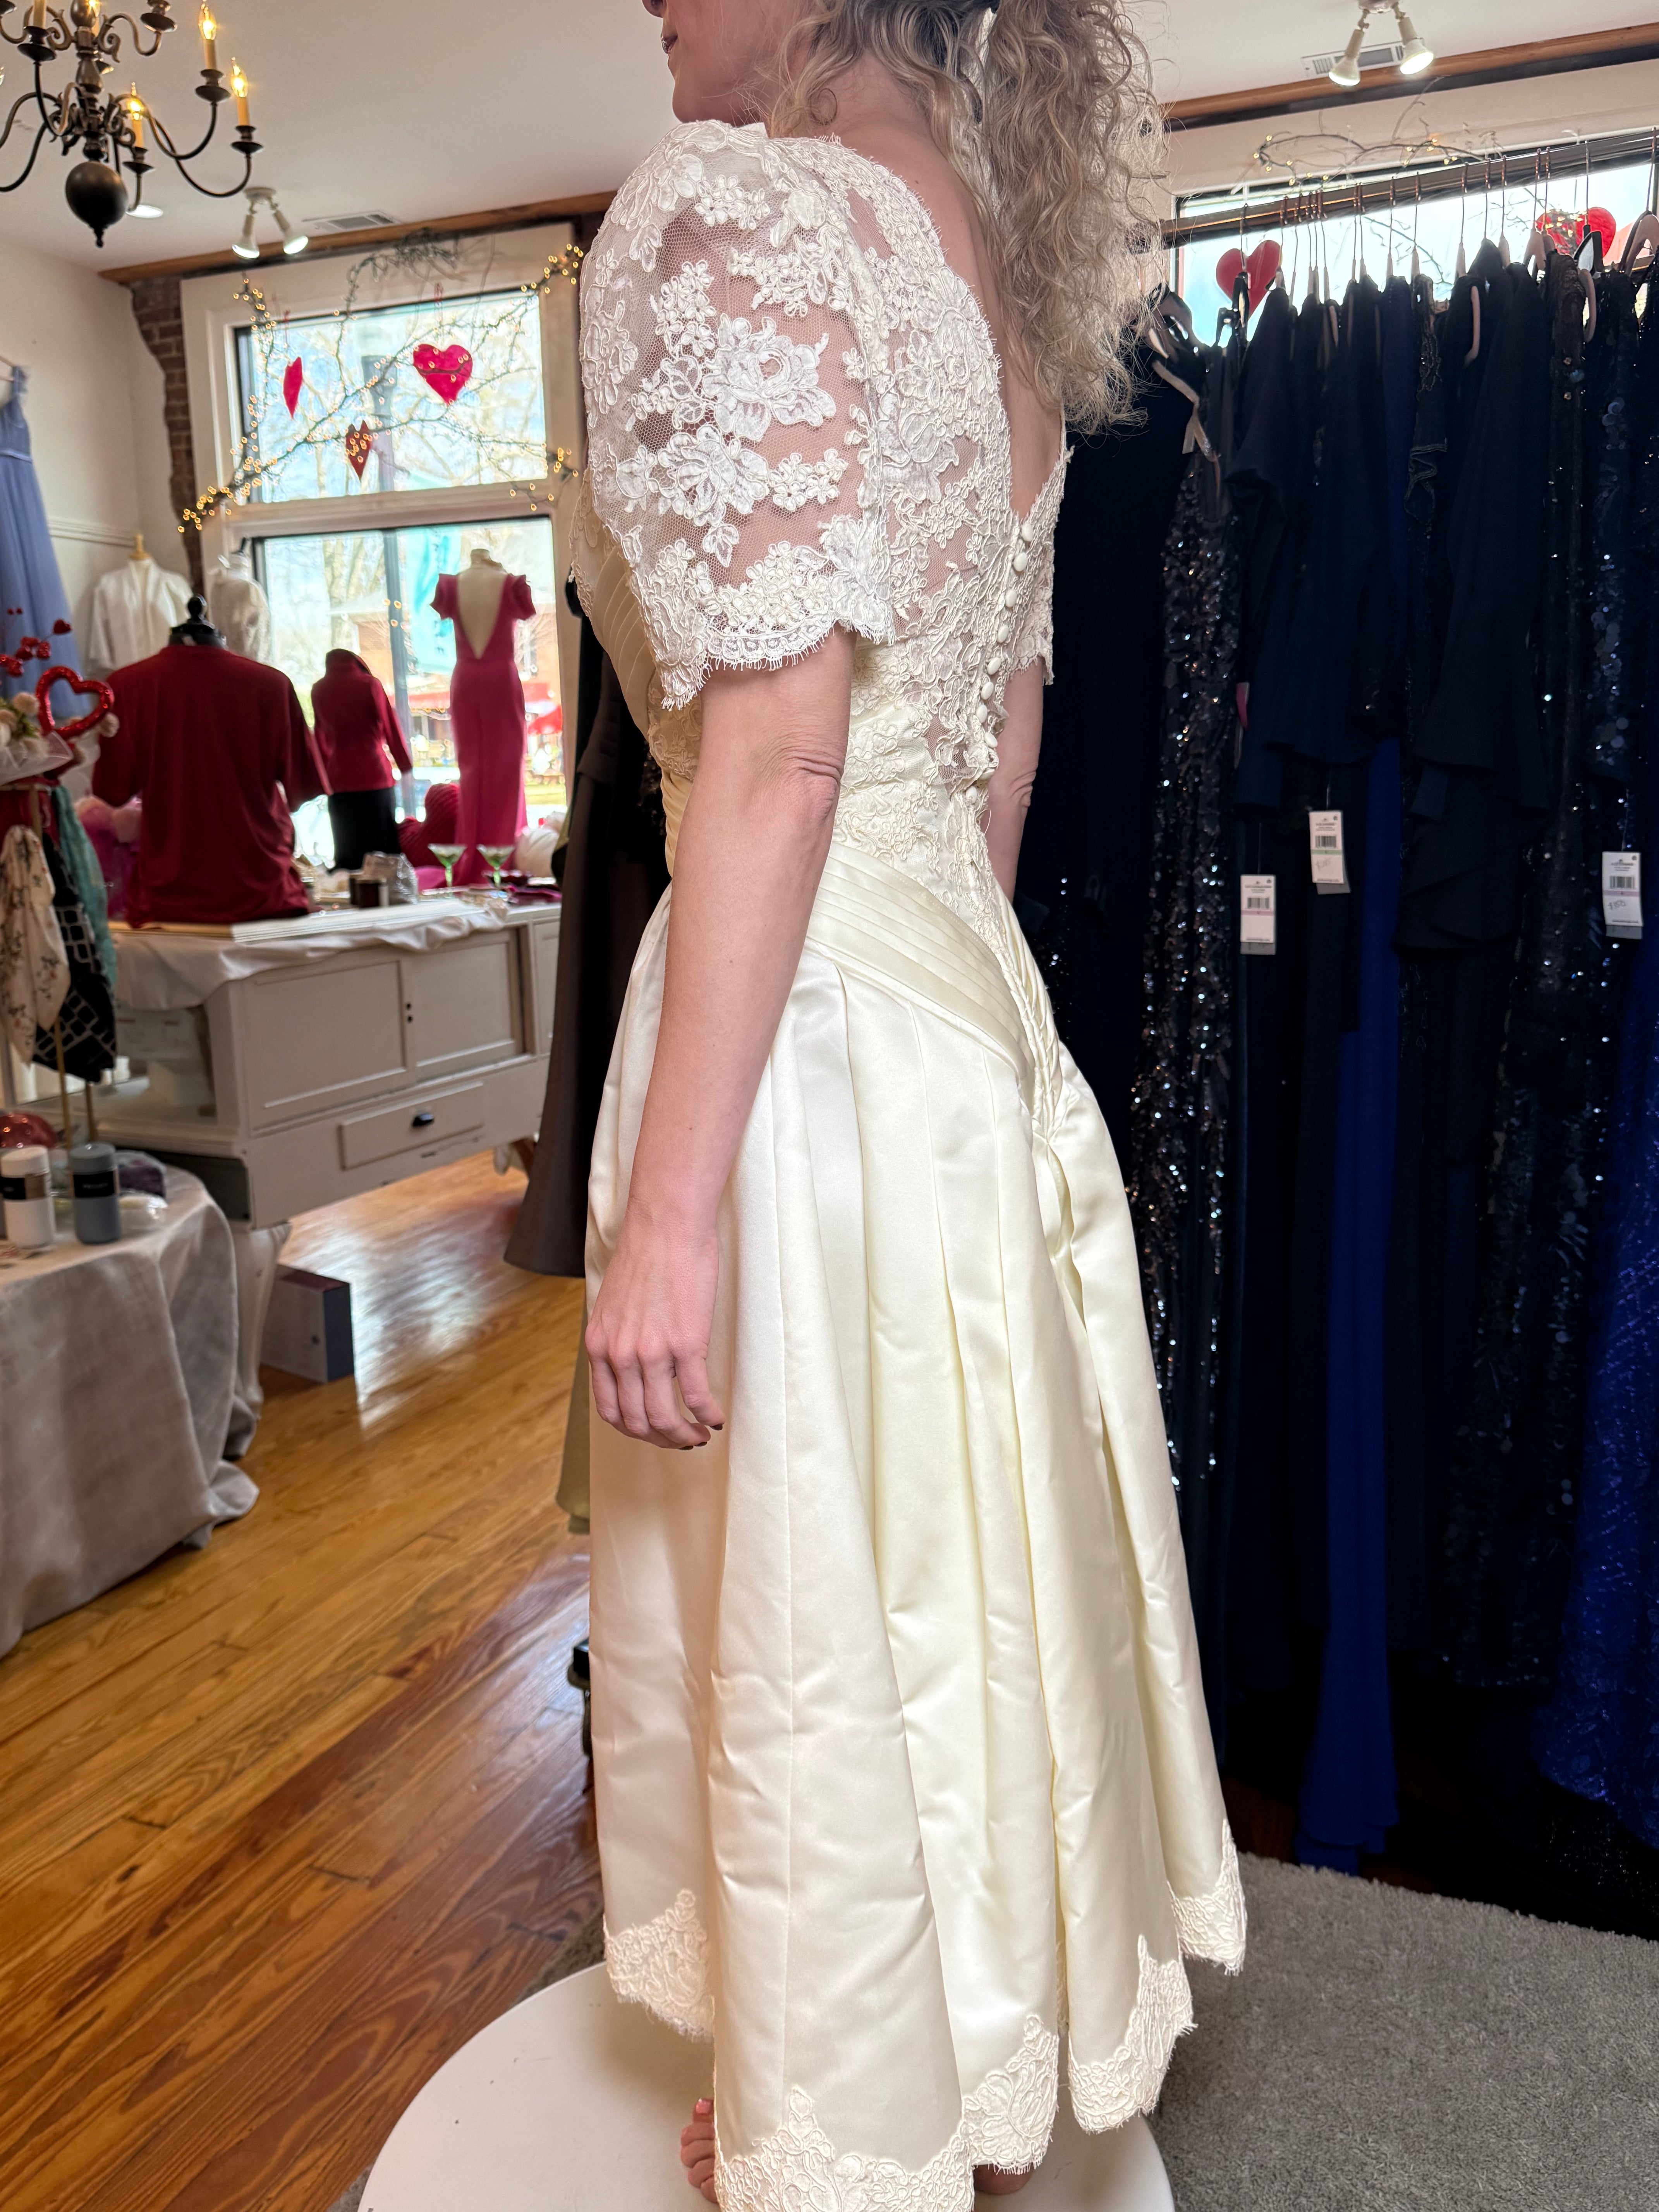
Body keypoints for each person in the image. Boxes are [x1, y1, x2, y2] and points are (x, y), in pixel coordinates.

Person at [578, 3, 1246, 2206]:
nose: (649, 2)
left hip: (794, 1038)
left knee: (816, 1606)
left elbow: (782, 743)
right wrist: (954, 1043)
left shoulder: (751, 219)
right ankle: (922, 2094)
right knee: (942, 1583)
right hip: (958, 1019)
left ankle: (835, 2118)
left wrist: (674, 1207)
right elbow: (1004, 744)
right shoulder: (986, 275)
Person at [309, 647, 414, 872]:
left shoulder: (318, 689)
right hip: (374, 776)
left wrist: (322, 777)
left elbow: (320, 737)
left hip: (339, 781)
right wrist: (404, 763)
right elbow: (390, 726)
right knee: (383, 854)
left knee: (349, 854)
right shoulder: (370, 685)